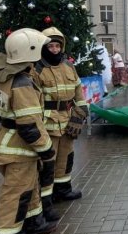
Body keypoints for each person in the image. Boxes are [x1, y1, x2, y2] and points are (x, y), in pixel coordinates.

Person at [0, 28, 57, 234]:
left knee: (29, 187)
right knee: (16, 192)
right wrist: (47, 151)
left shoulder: (3, 76)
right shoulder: (22, 83)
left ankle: (34, 221)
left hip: (7, 142)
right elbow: (29, 126)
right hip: (19, 148)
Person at [34, 27, 88, 208]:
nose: (55, 50)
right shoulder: (38, 69)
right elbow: (34, 99)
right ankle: (45, 198)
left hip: (68, 119)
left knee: (67, 156)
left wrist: (80, 114)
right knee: (48, 161)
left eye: (57, 46)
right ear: (44, 47)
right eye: (51, 47)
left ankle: (63, 190)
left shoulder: (69, 66)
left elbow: (79, 92)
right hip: (48, 121)